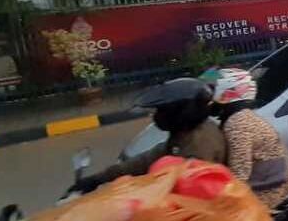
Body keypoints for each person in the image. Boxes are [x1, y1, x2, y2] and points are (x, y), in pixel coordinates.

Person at [69, 77, 226, 193]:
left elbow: (187, 193)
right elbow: (148, 159)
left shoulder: (198, 147)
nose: (156, 116)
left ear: (181, 112)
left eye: (162, 111)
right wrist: (99, 178)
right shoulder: (183, 134)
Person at [209, 68, 288, 209]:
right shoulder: (238, 116)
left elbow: (240, 173)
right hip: (274, 178)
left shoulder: (237, 123)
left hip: (273, 188)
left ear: (228, 91)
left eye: (213, 89)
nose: (209, 96)